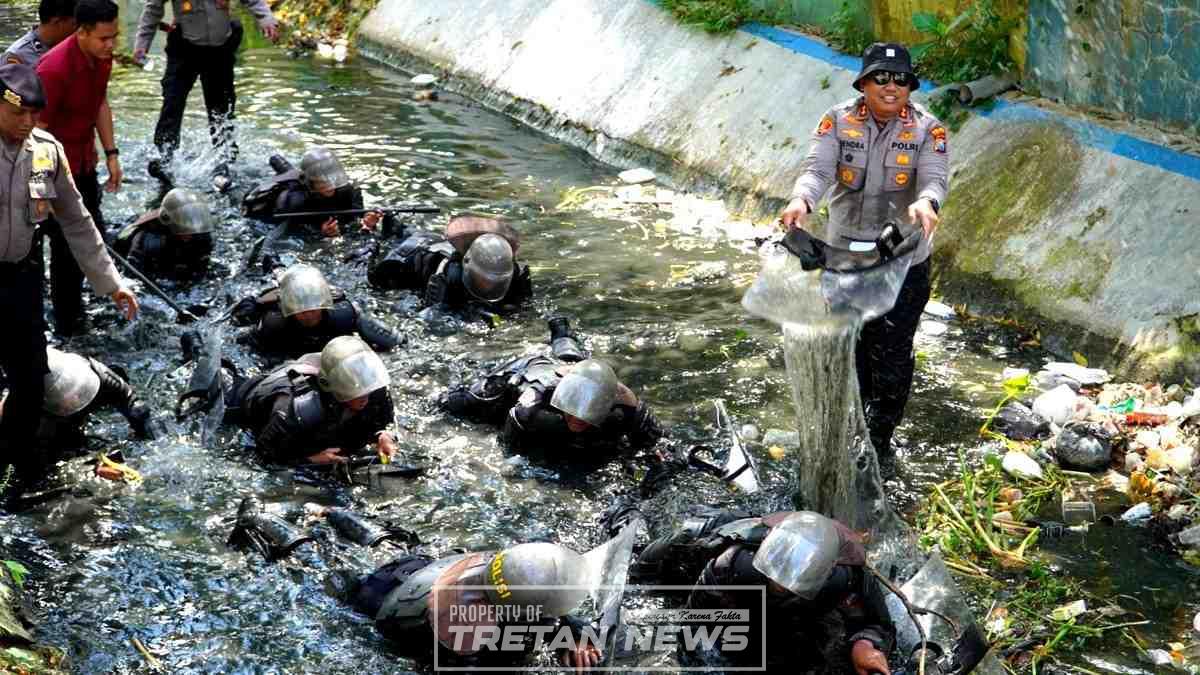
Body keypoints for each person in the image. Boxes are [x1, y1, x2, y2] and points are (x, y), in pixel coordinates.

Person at [779, 42, 949, 456]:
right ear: (863, 83)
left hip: (902, 261)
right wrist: (802, 199)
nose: (892, 87)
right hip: (845, 260)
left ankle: (879, 443)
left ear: (910, 86)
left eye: (901, 79)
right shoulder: (837, 121)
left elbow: (935, 178)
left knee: (891, 354)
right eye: (881, 78)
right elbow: (817, 169)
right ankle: (848, 429)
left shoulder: (929, 130)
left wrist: (926, 202)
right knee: (848, 347)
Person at [0, 63, 138, 474]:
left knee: (30, 379)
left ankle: (20, 470)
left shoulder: (46, 151)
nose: (28, 122)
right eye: (18, 112)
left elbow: (77, 222)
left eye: (34, 113)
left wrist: (111, 283)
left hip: (22, 279)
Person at [631, 508, 894, 674]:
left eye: (791, 585)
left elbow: (877, 622)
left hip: (803, 616)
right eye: (777, 580)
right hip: (735, 575)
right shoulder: (734, 563)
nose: (782, 587)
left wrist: (865, 644)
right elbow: (694, 619)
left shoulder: (845, 577)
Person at [349, 541, 602, 668]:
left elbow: (548, 612)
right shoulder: (463, 634)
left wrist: (577, 635)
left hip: (418, 568)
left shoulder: (505, 574)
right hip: (379, 600)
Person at [439, 323, 663, 457]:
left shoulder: (626, 403)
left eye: (588, 413)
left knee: (573, 359)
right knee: (462, 403)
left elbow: (660, 443)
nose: (578, 419)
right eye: (573, 411)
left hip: (574, 372)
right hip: (522, 374)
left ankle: (562, 333)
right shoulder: (535, 401)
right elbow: (509, 445)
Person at [35, 0, 122, 337]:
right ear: (81, 32)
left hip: (84, 163)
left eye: (114, 36)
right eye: (104, 38)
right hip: (53, 171)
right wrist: (42, 189)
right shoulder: (53, 69)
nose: (111, 44)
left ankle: (87, 301)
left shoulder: (102, 57)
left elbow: (100, 102)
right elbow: (36, 132)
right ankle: (67, 325)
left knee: (93, 234)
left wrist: (111, 153)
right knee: (64, 247)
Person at [132, 0, 279, 184]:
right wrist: (142, 45)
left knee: (221, 108)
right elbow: (153, 9)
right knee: (172, 102)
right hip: (183, 48)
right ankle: (165, 157)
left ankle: (225, 159)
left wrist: (266, 18)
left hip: (220, 50)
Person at [216, 336, 399, 466]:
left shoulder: (373, 388)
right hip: (242, 399)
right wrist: (309, 460)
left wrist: (384, 435)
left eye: (366, 389)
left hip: (318, 411)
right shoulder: (297, 408)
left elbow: (386, 422)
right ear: (333, 386)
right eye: (355, 390)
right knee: (218, 385)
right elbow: (262, 455)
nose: (364, 397)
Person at [1, 348, 158, 453]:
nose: (73, 401)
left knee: (138, 412)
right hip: (52, 419)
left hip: (91, 385)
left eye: (75, 396)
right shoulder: (25, 407)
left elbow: (132, 401)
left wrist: (147, 441)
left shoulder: (99, 374)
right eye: (65, 401)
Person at [369, 215, 532, 316]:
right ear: (467, 266)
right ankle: (373, 227)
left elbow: (523, 311)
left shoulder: (514, 276)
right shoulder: (442, 272)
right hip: (413, 254)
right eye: (484, 280)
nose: (489, 286)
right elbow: (429, 318)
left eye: (495, 282)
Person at [229, 263, 402, 357]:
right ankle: (276, 268)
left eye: (313, 308)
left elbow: (397, 342)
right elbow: (246, 350)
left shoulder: (344, 313)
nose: (308, 314)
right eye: (301, 310)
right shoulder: (273, 324)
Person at [242, 149, 381, 238]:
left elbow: (355, 219)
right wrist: (321, 233)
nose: (331, 186)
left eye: (333, 178)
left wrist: (366, 222)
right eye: (323, 182)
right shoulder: (296, 200)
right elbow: (293, 234)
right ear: (311, 183)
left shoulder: (348, 190)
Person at [111, 187, 215, 281]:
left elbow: (203, 264)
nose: (190, 232)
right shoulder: (146, 238)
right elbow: (131, 277)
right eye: (184, 223)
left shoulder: (200, 233)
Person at [2, 0, 78, 66]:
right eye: (74, 24)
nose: (78, 30)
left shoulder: (73, 47)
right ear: (57, 22)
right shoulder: (17, 56)